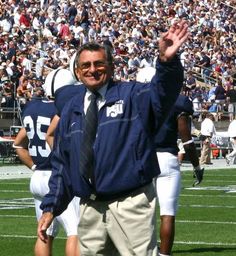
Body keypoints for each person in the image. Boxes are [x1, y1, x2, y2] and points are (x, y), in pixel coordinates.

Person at [38, 20, 189, 256]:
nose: (92, 69)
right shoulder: (72, 108)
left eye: (99, 63)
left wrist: (167, 63)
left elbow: (162, 94)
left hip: (130, 203)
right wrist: (51, 208)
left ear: (111, 67)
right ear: (77, 71)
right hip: (90, 207)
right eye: (85, 65)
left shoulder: (133, 95)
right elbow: (62, 165)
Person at [13, 90, 80, 256]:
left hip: (38, 176)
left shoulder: (32, 108)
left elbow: (18, 144)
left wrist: (34, 167)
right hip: (57, 176)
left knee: (45, 231)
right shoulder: (62, 108)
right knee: (76, 231)